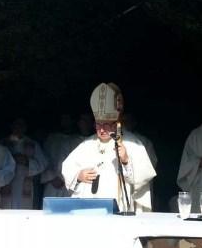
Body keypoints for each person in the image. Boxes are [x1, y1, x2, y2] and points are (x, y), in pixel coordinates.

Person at [62, 83, 156, 212]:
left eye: (106, 124)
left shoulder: (132, 143)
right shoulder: (87, 144)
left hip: (118, 208)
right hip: (87, 210)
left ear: (117, 123)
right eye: (98, 124)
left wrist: (126, 161)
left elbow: (143, 178)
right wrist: (79, 175)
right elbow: (67, 167)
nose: (101, 129)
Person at [2, 118, 48, 210]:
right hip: (7, 183)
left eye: (21, 125)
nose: (18, 128)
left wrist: (27, 161)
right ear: (11, 126)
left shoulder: (32, 144)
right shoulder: (3, 143)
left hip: (25, 183)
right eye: (16, 125)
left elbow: (43, 164)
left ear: (25, 128)